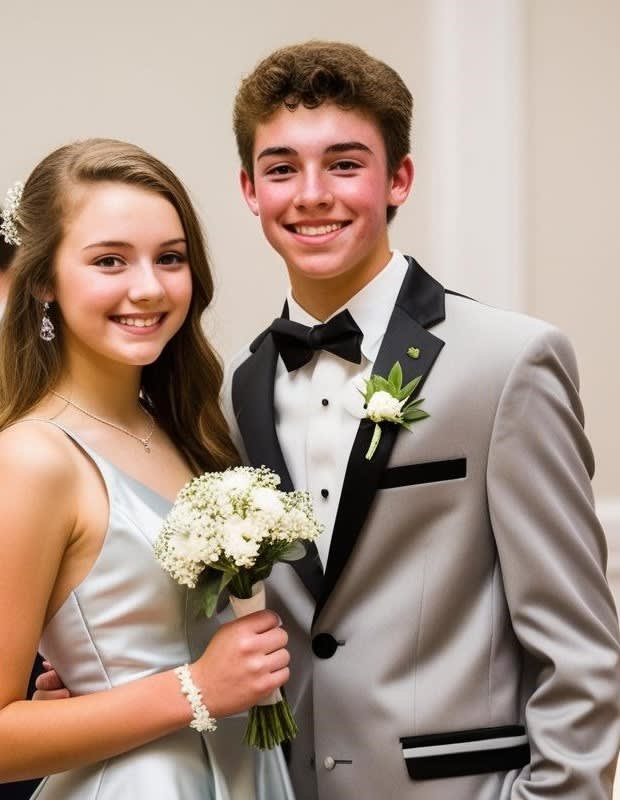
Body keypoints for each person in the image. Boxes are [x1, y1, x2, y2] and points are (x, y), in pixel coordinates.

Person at [221, 41, 620, 798]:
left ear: (398, 177)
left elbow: (579, 649)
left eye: (344, 164)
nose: (311, 194)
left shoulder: (509, 363)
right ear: (249, 189)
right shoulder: (240, 388)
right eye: (281, 168)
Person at [0, 138, 296, 799]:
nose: (148, 287)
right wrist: (198, 687)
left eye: (170, 258)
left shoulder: (189, 430)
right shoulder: (32, 458)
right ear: (44, 280)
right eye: (110, 261)